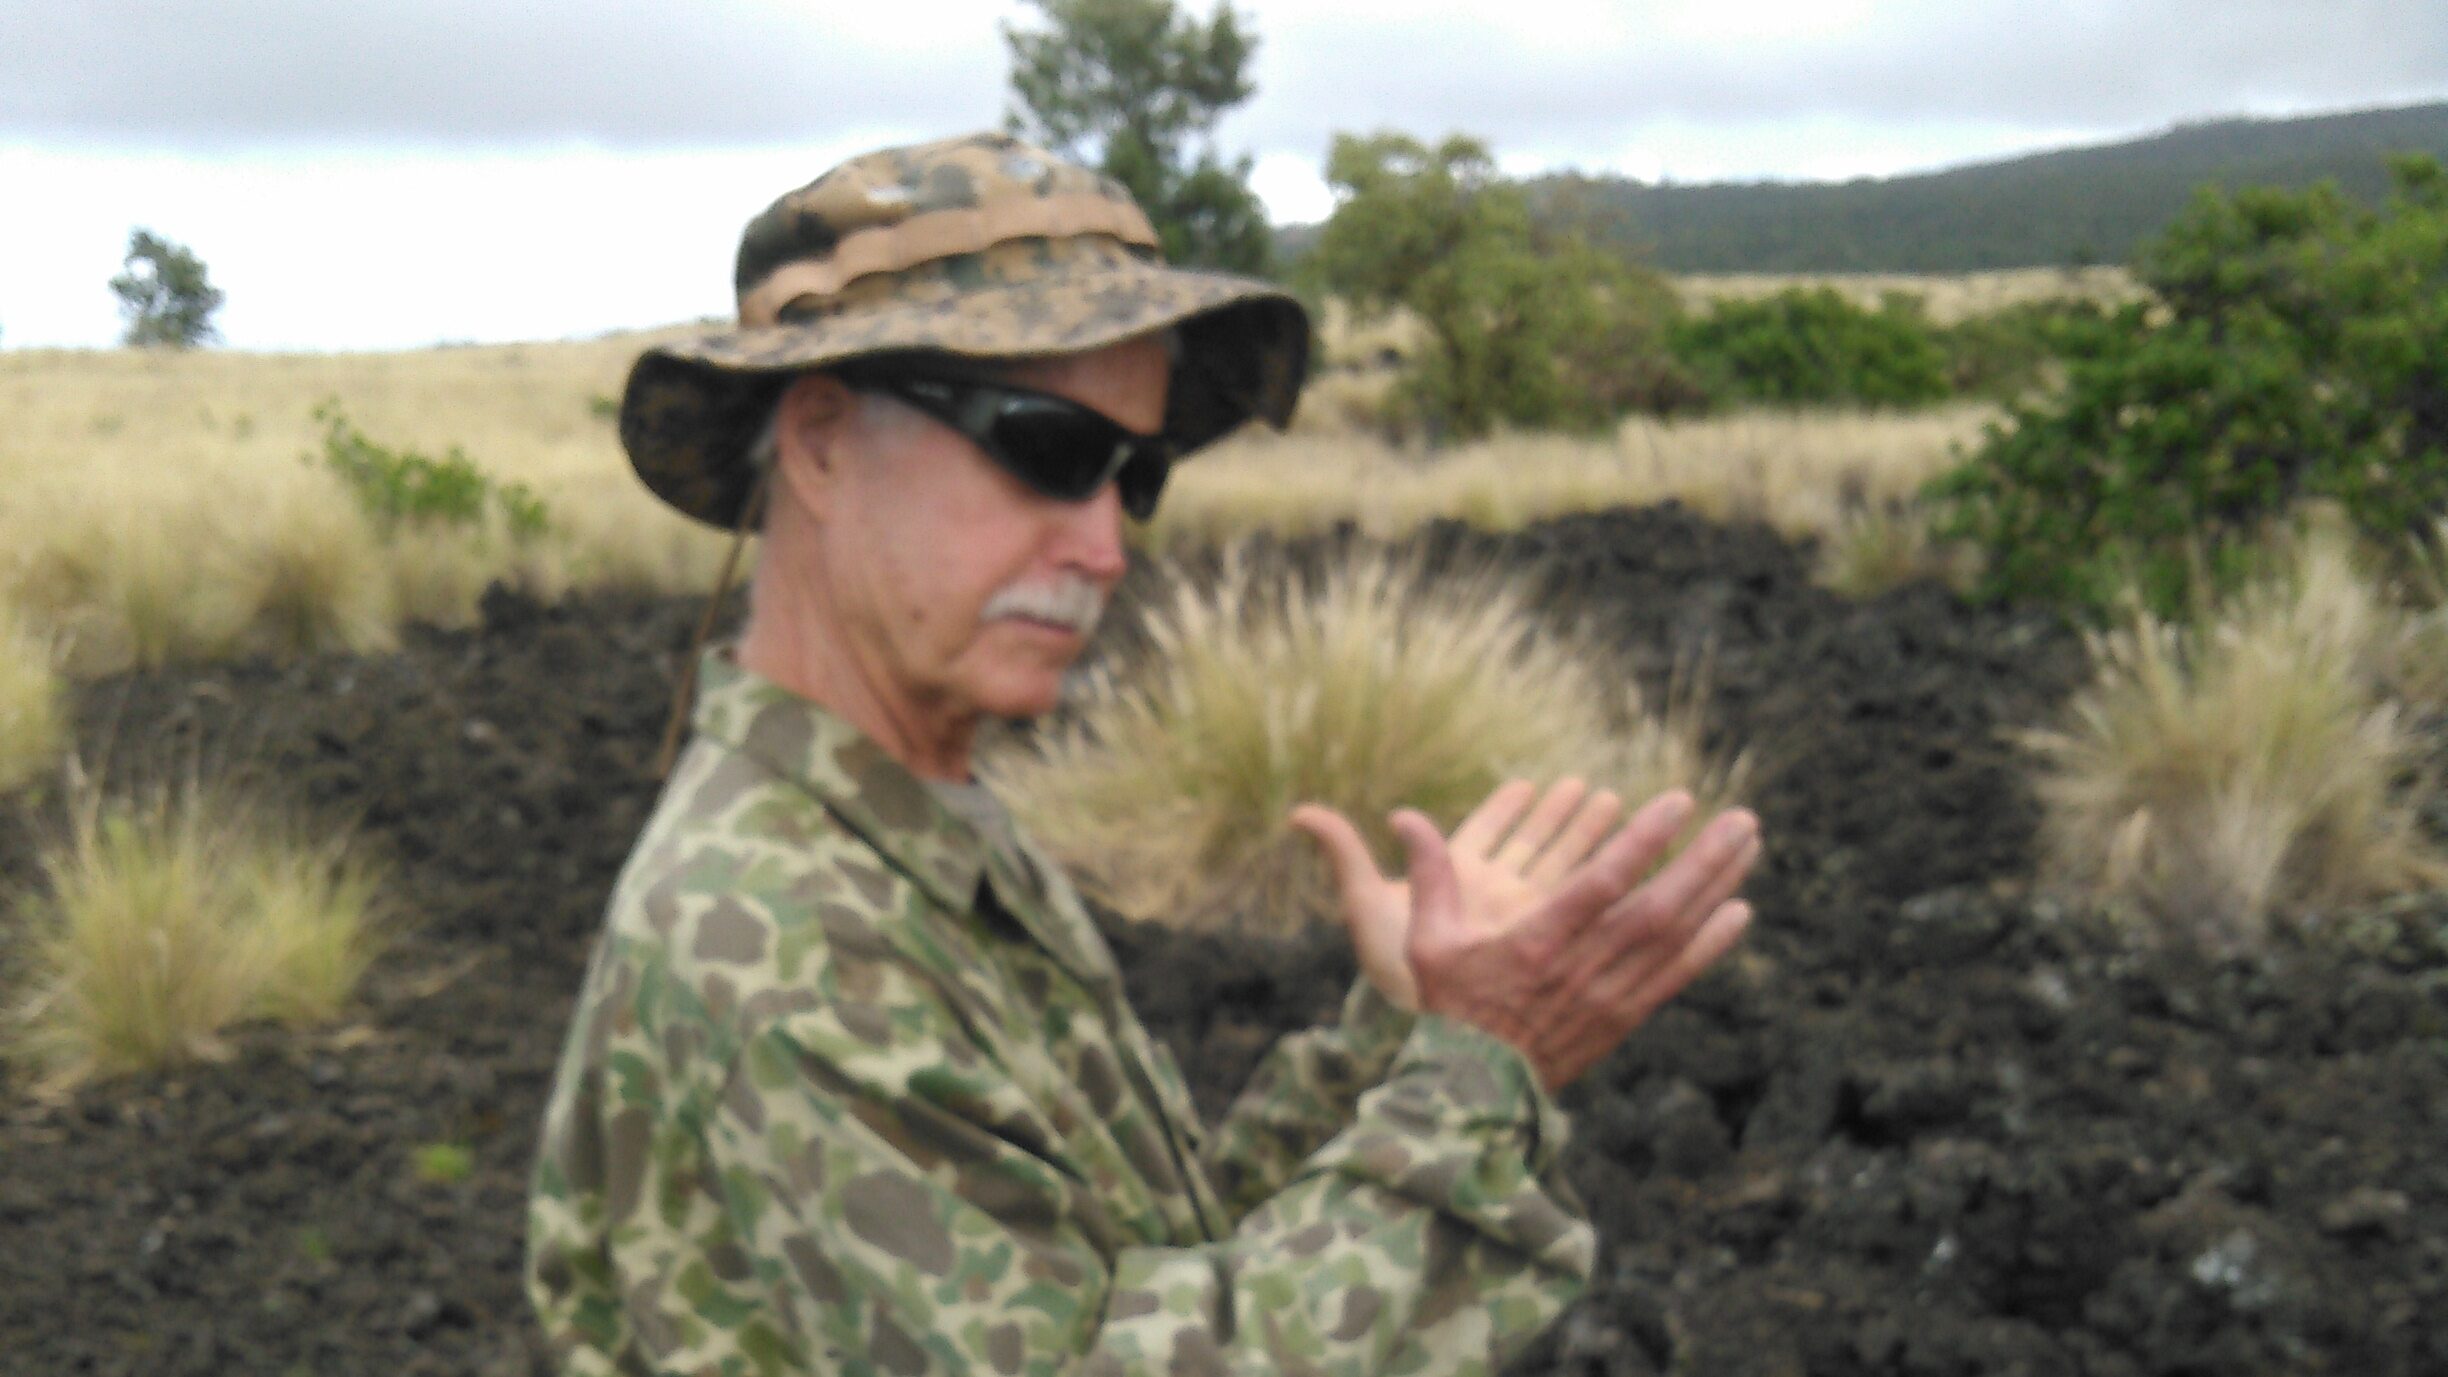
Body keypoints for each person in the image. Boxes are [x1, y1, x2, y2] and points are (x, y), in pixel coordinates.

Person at [526, 131, 1760, 1377]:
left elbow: (1138, 1276)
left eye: (1137, 474)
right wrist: (1480, 1073)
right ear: (824, 444)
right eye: (1047, 450)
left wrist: (1400, 1035)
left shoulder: (900, 831)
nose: (1105, 548)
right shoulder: (774, 933)